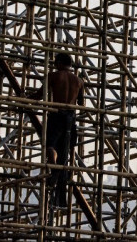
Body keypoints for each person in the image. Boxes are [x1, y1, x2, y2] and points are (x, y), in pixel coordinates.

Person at [29, 52, 84, 207]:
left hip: (56, 114)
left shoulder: (53, 76)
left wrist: (23, 99)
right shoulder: (79, 81)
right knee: (67, 150)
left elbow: (39, 95)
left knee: (51, 145)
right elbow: (81, 104)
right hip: (70, 119)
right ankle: (61, 181)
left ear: (59, 62)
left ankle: (53, 166)